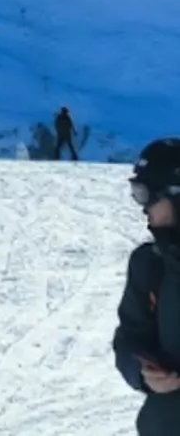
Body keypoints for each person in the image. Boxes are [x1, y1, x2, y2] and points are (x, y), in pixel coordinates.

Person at [113, 137, 180, 434]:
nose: (143, 209)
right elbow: (130, 338)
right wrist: (142, 373)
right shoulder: (149, 265)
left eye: (146, 195)